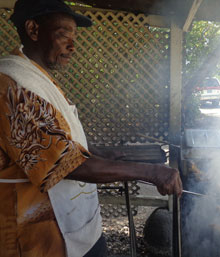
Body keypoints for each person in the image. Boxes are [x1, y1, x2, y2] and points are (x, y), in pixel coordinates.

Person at [0, 0, 183, 257]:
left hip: (74, 228)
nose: (73, 46)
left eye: (74, 36)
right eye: (64, 34)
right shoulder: (12, 85)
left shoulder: (35, 76)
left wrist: (101, 152)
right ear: (33, 29)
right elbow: (64, 163)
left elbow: (57, 139)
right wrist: (152, 173)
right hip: (38, 240)